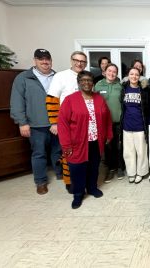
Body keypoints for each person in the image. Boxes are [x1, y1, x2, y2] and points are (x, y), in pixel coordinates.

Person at [10, 48, 62, 195]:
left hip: (57, 122)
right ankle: (40, 182)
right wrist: (22, 122)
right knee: (39, 153)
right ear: (35, 60)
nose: (44, 62)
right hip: (36, 124)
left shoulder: (58, 76)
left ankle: (60, 173)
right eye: (41, 59)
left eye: (47, 59)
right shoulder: (24, 78)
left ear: (51, 61)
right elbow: (17, 101)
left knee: (58, 150)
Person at [58, 71, 113, 209]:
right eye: (83, 80)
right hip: (77, 142)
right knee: (77, 169)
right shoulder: (70, 100)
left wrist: (108, 134)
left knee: (94, 166)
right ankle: (78, 194)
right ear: (79, 82)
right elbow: (62, 124)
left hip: (96, 140)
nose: (87, 83)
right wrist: (66, 144)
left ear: (93, 83)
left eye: (89, 80)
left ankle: (92, 188)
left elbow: (107, 118)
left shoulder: (99, 99)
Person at [46, 51, 88, 193]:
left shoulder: (86, 76)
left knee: (83, 153)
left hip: (84, 124)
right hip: (67, 123)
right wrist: (54, 123)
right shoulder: (61, 76)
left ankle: (84, 179)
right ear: (71, 61)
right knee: (67, 152)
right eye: (76, 60)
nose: (79, 63)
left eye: (82, 61)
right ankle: (70, 181)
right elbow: (52, 99)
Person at [94, 63, 123, 183]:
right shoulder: (98, 85)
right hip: (104, 124)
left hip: (118, 122)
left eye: (114, 72)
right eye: (109, 71)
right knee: (108, 147)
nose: (111, 73)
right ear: (104, 72)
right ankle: (111, 169)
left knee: (119, 146)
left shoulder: (120, 86)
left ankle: (120, 167)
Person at [121, 67, 149, 184]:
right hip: (127, 125)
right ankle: (131, 172)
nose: (134, 76)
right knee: (128, 152)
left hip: (139, 125)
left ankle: (141, 172)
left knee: (141, 151)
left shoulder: (143, 90)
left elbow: (146, 108)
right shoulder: (124, 89)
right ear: (128, 75)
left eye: (136, 74)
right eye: (131, 74)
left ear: (139, 76)